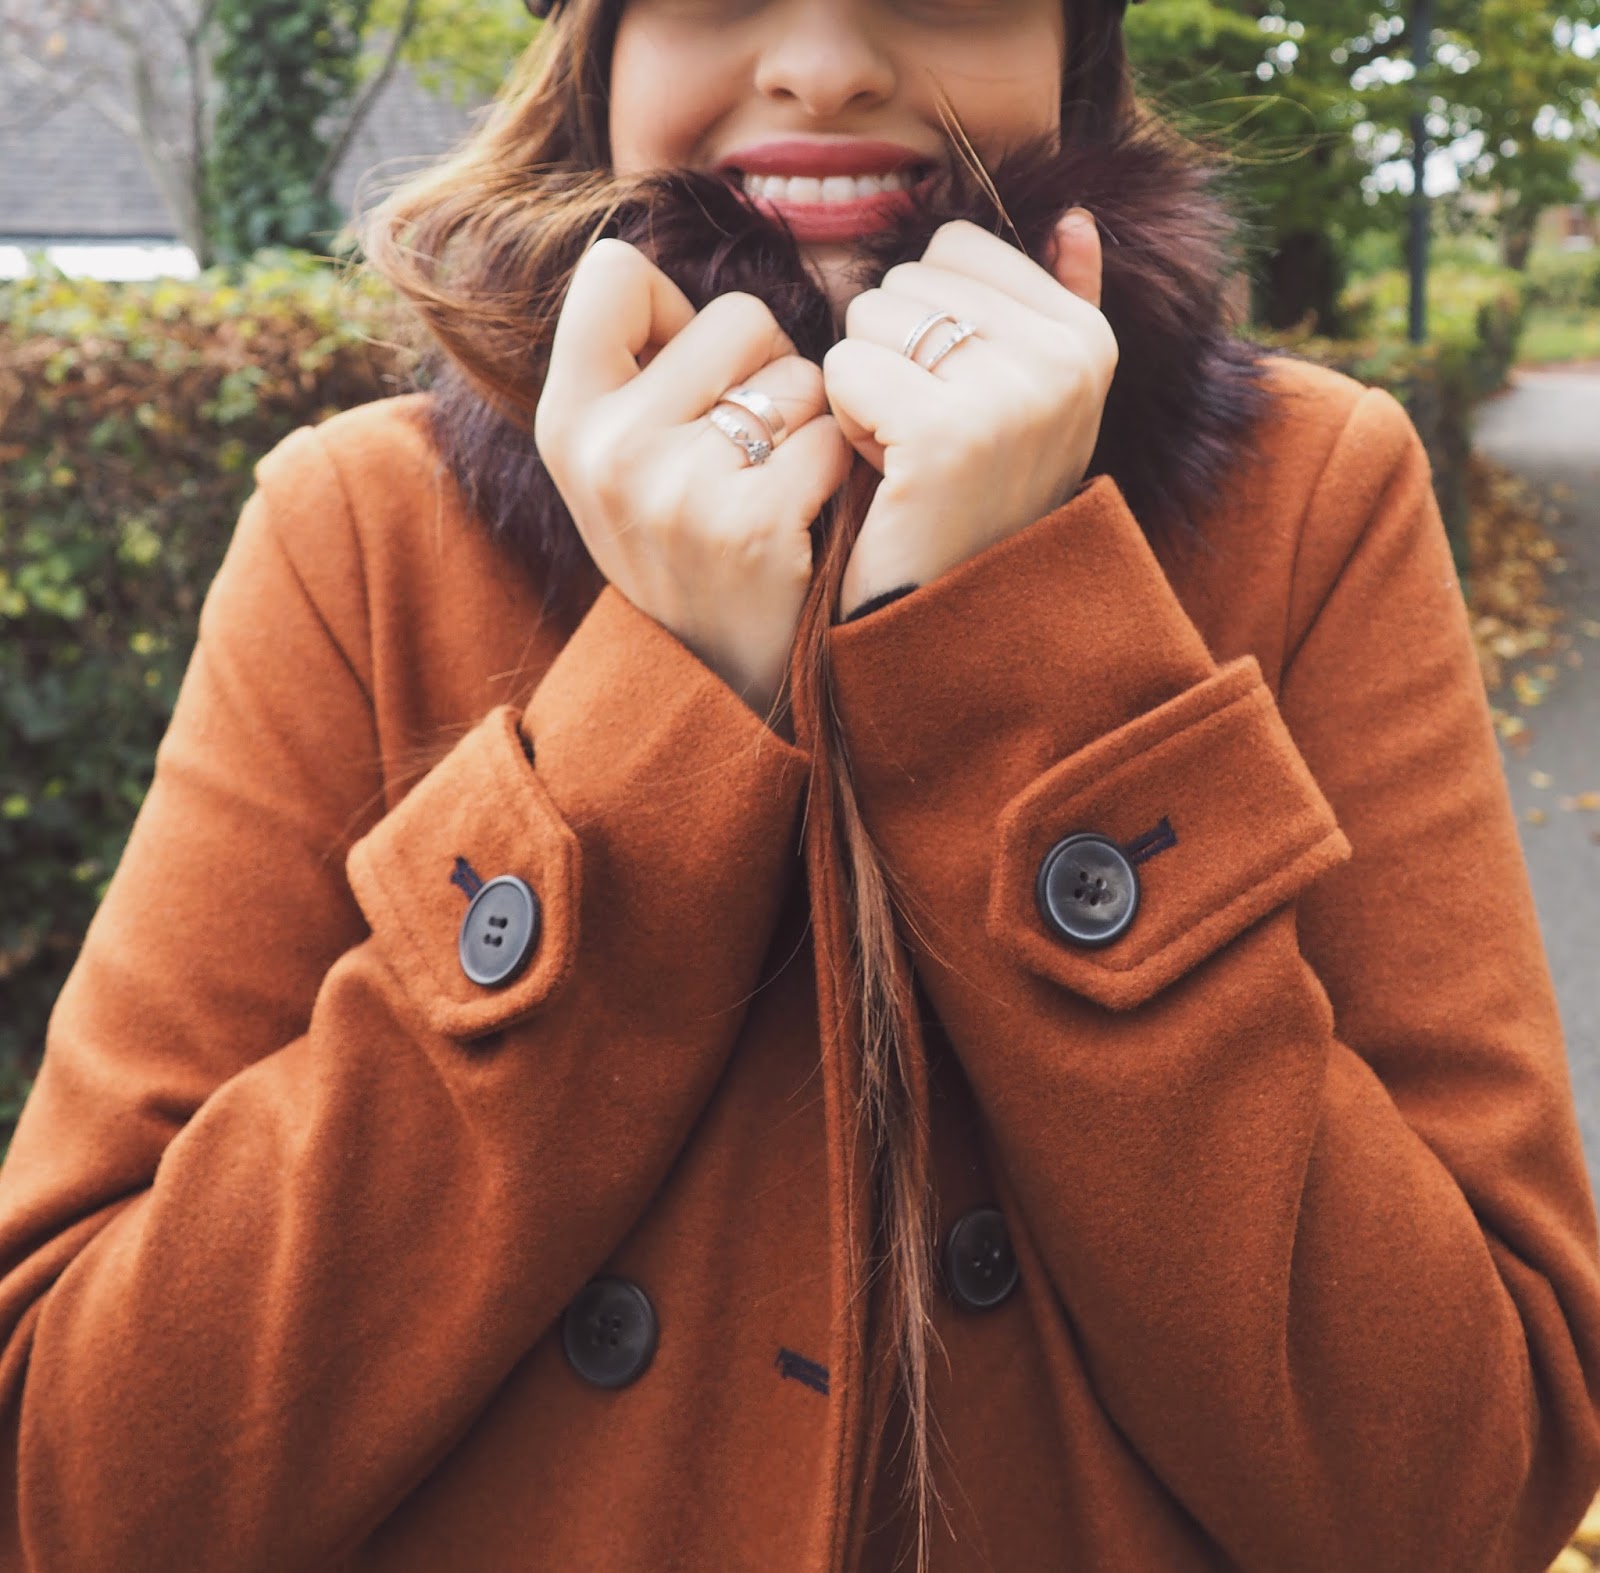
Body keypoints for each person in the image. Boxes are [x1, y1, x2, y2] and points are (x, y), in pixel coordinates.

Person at [2, 0, 1598, 1566]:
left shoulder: (1311, 498)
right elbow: (72, 1483)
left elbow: (1470, 1484)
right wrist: (658, 716)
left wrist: (1022, 642)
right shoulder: (363, 531)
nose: (824, 62)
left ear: (1075, 43)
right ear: (596, 43)